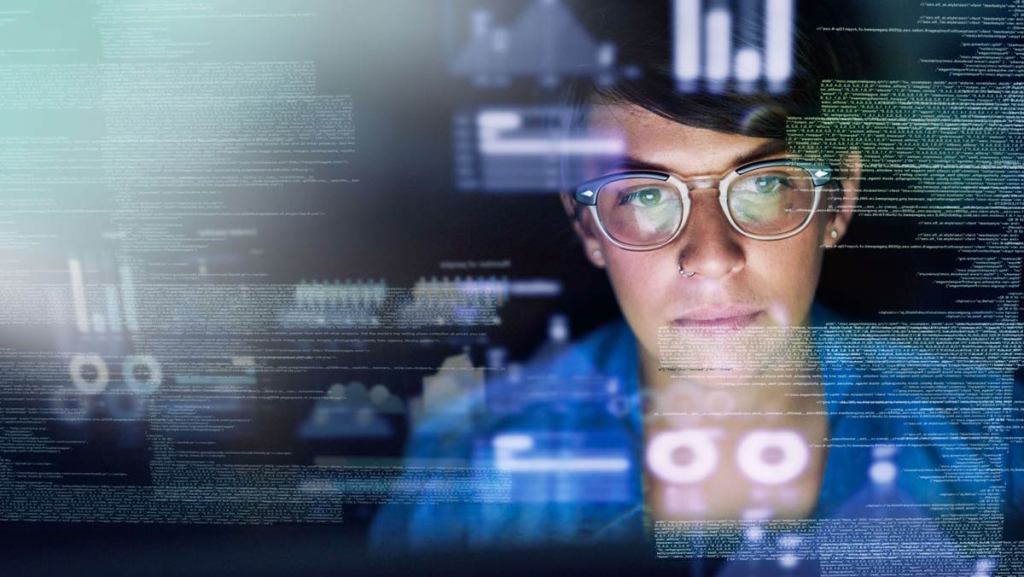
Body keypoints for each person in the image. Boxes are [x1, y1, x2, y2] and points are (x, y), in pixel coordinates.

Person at [371, 2, 1019, 571]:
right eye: (646, 195)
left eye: (764, 184)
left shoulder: (995, 443)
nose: (711, 257)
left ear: (838, 199)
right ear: (588, 224)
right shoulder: (472, 472)